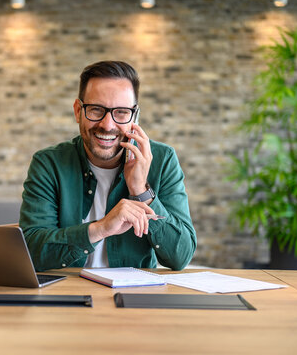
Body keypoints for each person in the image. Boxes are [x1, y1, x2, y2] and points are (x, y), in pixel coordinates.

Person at [19, 60, 196, 271]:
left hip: (135, 297)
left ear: (135, 116)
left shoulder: (162, 160)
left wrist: (141, 190)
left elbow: (181, 256)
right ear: (78, 111)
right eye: (95, 110)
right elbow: (31, 250)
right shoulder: (49, 163)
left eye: (121, 112)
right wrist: (101, 228)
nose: (107, 124)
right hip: (67, 294)